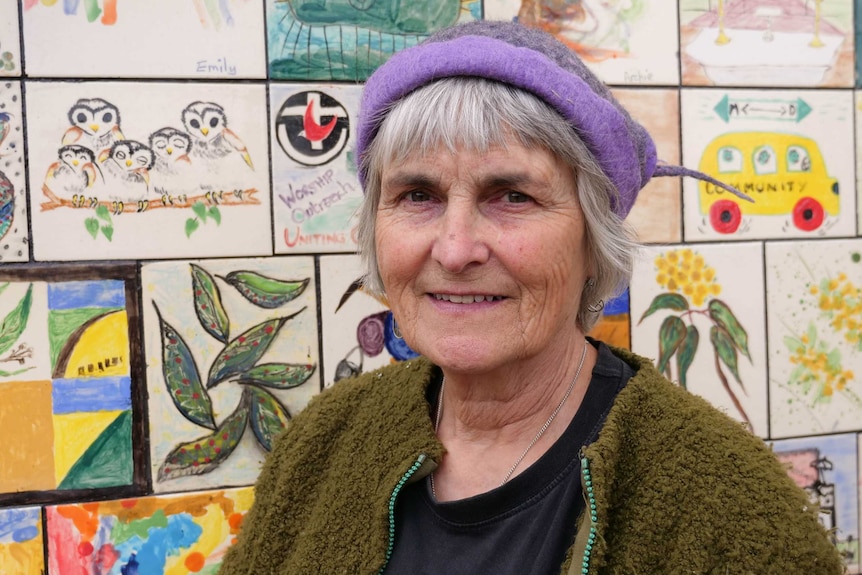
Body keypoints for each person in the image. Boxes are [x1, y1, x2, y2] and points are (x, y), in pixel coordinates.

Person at [218, 21, 844, 575]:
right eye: (417, 196)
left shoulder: (725, 504)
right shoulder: (327, 439)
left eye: (512, 196)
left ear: (592, 239)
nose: (456, 249)